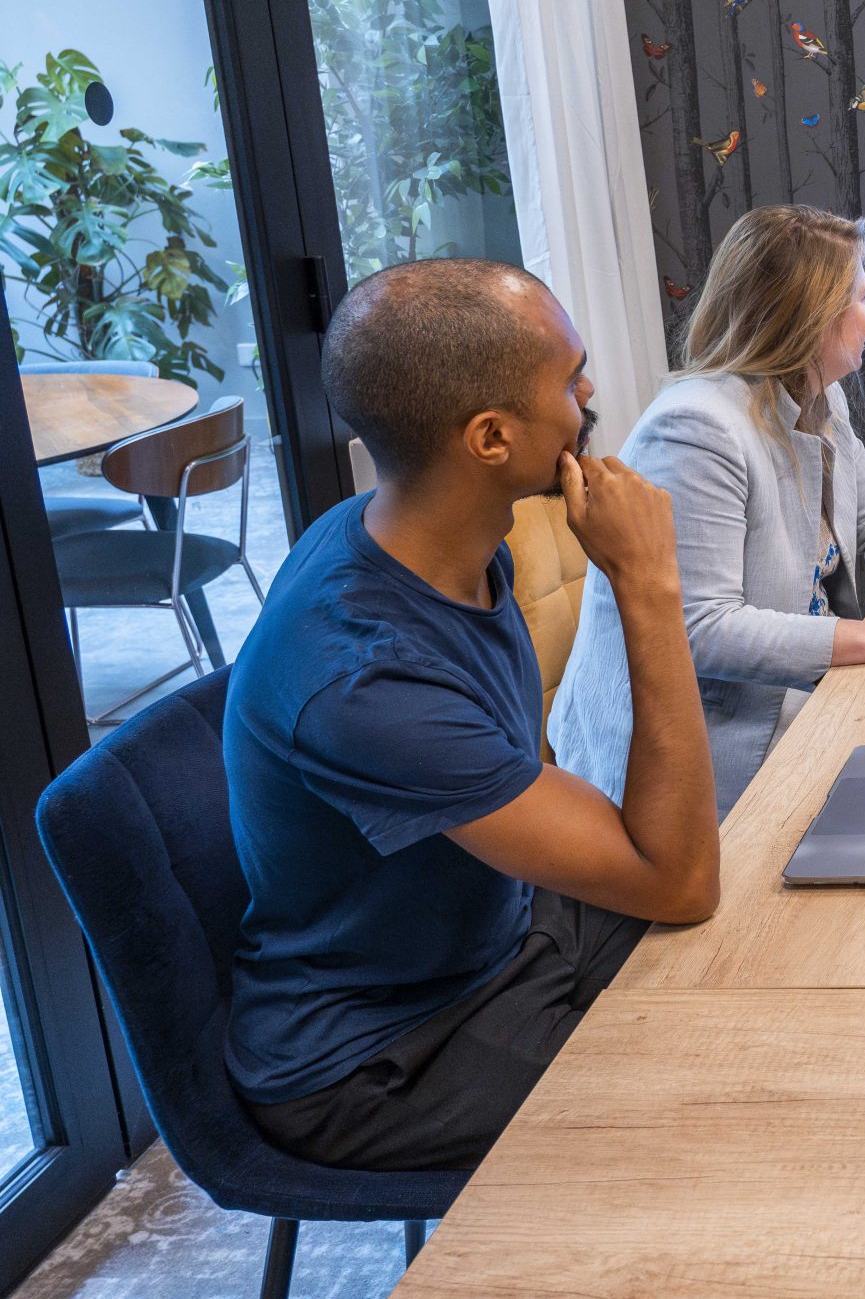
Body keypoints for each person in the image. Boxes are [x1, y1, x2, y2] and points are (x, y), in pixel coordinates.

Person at [226, 259, 718, 1172]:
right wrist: (649, 586)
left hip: (502, 935)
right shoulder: (366, 681)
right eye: (569, 378)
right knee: (718, 1114)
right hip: (385, 1051)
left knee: (757, 973)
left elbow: (532, 767)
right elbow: (676, 878)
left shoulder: (431, 541)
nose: (590, 393)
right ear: (491, 438)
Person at [549, 205, 865, 817]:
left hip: (797, 700)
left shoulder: (815, 392)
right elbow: (701, 629)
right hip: (700, 757)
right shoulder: (697, 426)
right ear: (811, 317)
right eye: (862, 298)